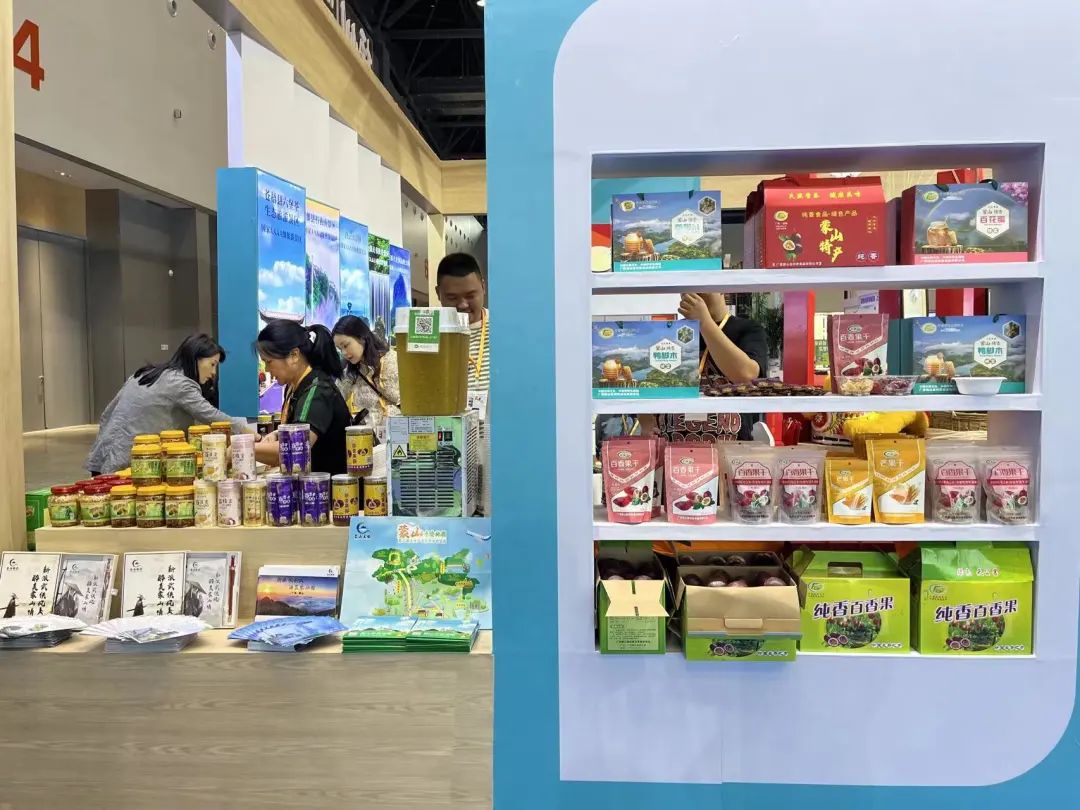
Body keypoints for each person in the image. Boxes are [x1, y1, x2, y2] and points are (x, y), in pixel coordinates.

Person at [86, 334, 248, 474]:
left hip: (102, 458)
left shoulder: (146, 374)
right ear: (195, 358)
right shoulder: (181, 383)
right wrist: (248, 432)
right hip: (132, 466)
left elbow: (107, 413)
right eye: (213, 364)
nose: (213, 373)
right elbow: (211, 416)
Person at [638, 292, 769, 443]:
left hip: (731, 446)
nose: (694, 292)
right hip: (674, 447)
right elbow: (648, 385)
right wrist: (646, 422)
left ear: (722, 289)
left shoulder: (747, 329)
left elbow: (747, 375)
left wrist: (704, 322)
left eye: (702, 286)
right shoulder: (672, 331)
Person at [253, 320, 350, 475]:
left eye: (269, 362)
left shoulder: (317, 391)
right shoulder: (293, 387)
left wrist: (244, 448)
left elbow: (294, 451)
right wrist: (277, 435)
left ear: (294, 355)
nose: (267, 369)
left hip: (328, 488)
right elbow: (298, 428)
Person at [436, 252, 491, 515]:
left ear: (483, 286)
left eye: (471, 295)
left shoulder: (504, 331)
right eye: (452, 298)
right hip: (449, 454)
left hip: (494, 450)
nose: (463, 305)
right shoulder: (430, 337)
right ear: (438, 293)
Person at [332, 315, 401, 441]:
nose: (344, 353)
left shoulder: (394, 361)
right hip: (369, 442)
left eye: (346, 345)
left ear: (361, 337)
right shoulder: (350, 373)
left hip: (399, 437)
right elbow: (335, 398)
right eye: (340, 349)